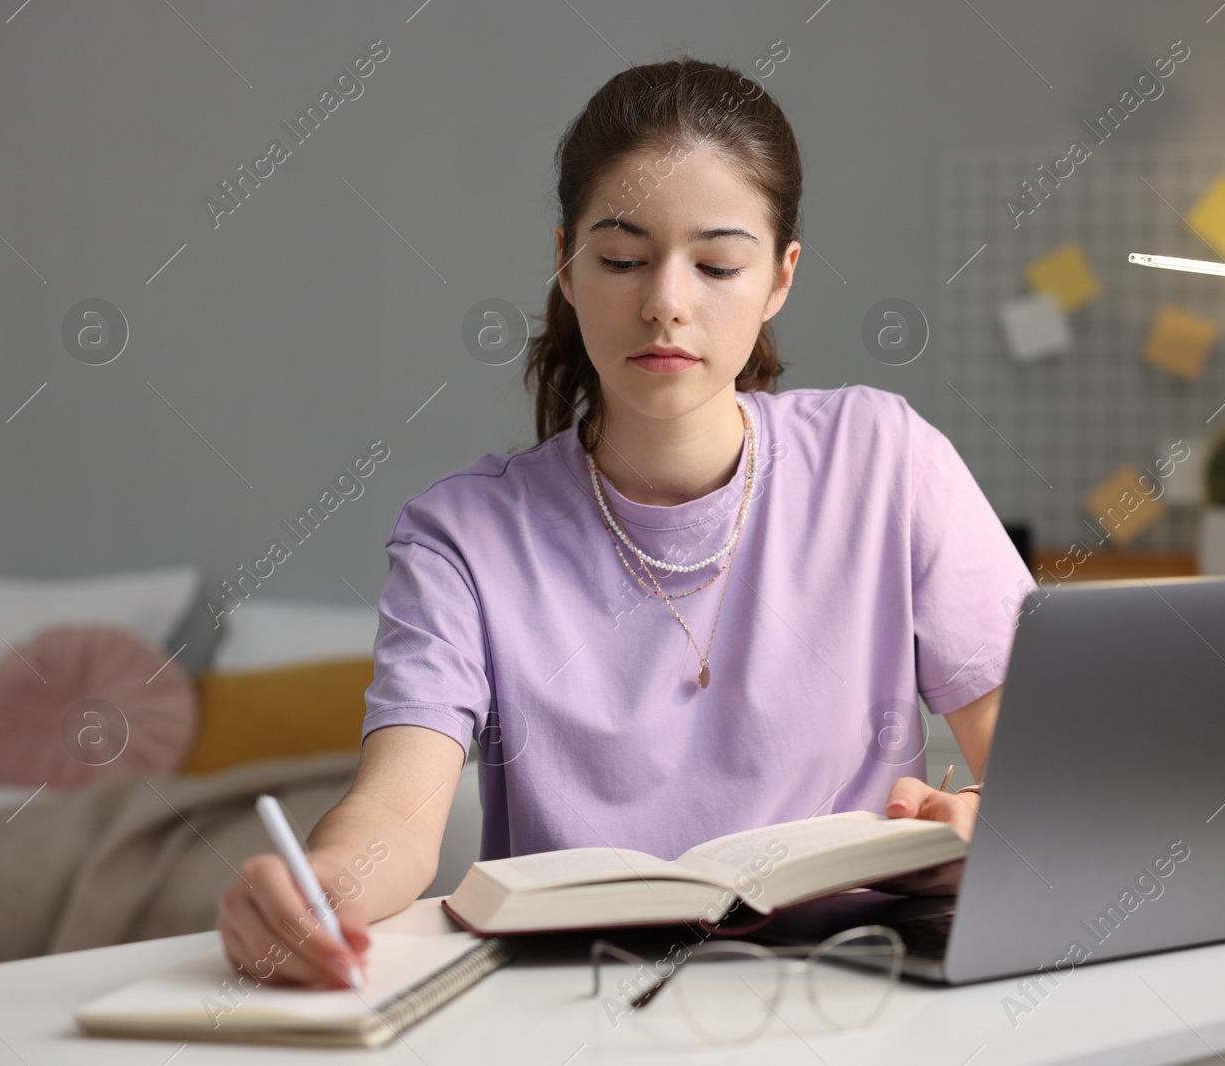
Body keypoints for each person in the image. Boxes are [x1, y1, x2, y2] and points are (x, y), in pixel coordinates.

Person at [217, 56, 1033, 989]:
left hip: (855, 985)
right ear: (568, 263)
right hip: (571, 1005)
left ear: (779, 278)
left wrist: (977, 817)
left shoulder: (885, 460)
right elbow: (398, 816)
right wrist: (321, 885)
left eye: (718, 263)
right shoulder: (463, 538)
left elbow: (1042, 769)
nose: (666, 303)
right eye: (622, 258)